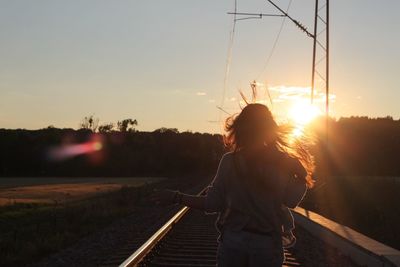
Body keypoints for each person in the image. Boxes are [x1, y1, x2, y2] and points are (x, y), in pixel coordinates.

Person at [155, 103, 314, 267]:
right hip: (266, 246)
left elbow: (212, 204)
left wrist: (177, 197)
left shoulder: (229, 161)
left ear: (240, 128)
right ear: (269, 129)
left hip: (234, 243)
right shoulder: (282, 162)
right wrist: (301, 176)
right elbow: (291, 200)